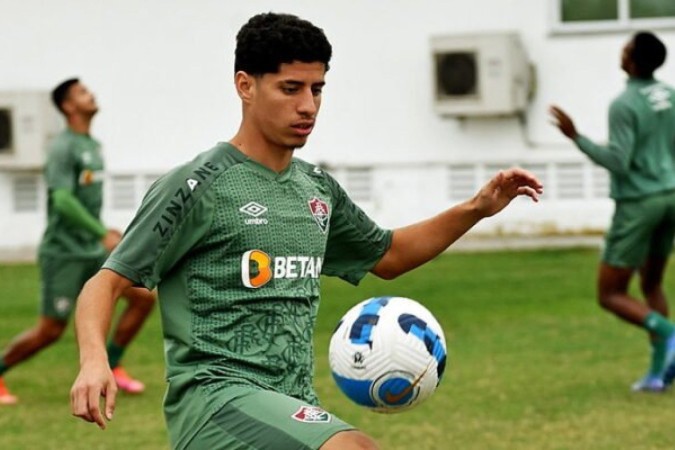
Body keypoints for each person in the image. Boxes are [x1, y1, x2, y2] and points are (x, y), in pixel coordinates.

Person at [70, 12, 542, 450]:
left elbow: (389, 255)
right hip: (216, 401)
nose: (308, 105)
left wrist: (477, 208)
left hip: (292, 402)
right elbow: (105, 282)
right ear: (245, 86)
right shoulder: (199, 185)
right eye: (291, 88)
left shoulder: (315, 189)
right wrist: (95, 360)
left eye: (317, 89)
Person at [0, 78, 156, 405]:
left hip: (92, 250)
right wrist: (101, 232)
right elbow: (62, 200)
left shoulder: (92, 146)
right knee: (50, 330)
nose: (92, 95)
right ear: (68, 106)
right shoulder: (62, 147)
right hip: (64, 253)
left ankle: (112, 366)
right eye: (83, 93)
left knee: (143, 298)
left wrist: (102, 233)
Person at [550, 31, 675, 392]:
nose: (621, 51)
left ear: (634, 60)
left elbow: (619, 162)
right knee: (651, 284)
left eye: (626, 48)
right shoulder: (668, 96)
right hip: (670, 196)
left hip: (639, 203)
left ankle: (668, 335)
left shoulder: (624, 103)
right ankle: (659, 374)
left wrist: (576, 136)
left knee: (610, 294)